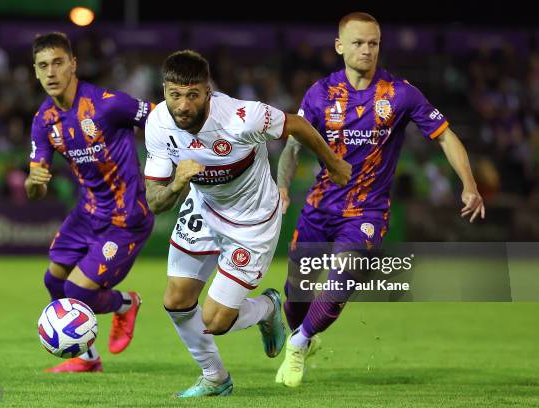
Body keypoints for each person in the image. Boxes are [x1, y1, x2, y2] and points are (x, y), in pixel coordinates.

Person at [276, 12, 486, 387]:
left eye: (373, 43)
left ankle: (300, 342)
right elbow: (293, 145)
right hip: (319, 208)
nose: (367, 50)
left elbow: (445, 136)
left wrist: (468, 184)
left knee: (345, 274)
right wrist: (282, 187)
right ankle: (300, 330)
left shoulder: (400, 93)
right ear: (340, 46)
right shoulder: (320, 93)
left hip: (367, 211)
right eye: (358, 43)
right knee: (296, 294)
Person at [143, 50, 351, 397]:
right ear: (164, 91)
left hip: (251, 223)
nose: (182, 105)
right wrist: (178, 184)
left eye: (192, 95)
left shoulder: (243, 117)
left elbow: (297, 125)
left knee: (214, 322)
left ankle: (267, 308)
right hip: (203, 206)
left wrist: (331, 163)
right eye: (174, 95)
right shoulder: (158, 124)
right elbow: (155, 202)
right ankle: (215, 377)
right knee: (177, 301)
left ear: (207, 92)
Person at [26, 32, 154, 372]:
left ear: (73, 65)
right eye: (43, 66)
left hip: (126, 218)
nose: (51, 72)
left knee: (75, 290)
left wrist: (169, 168)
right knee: (53, 281)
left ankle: (126, 303)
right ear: (35, 72)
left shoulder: (108, 104)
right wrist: (33, 183)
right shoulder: (44, 121)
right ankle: (86, 357)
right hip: (87, 214)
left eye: (57, 63)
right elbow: (35, 189)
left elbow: (162, 121)